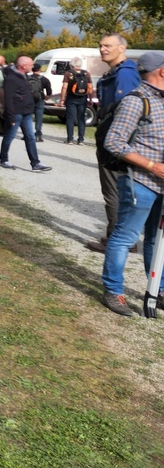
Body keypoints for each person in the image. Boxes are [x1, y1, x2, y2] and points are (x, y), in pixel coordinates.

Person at [100, 50, 164, 316]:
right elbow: (113, 142)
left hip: (161, 186)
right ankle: (113, 292)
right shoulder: (137, 100)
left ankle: (157, 291)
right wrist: (152, 166)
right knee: (125, 237)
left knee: (157, 240)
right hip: (140, 182)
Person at [89, 33, 143, 253]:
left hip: (117, 142)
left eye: (108, 46)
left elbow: (129, 112)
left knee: (114, 191)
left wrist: (116, 142)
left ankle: (117, 240)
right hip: (111, 138)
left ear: (122, 48)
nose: (102, 49)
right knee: (116, 191)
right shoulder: (115, 73)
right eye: (100, 45)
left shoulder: (125, 76)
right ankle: (121, 238)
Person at [0, 56, 51, 172]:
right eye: (31, 64)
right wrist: (10, 116)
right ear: (23, 66)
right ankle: (4, 159)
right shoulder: (11, 78)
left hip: (26, 112)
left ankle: (35, 163)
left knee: (30, 137)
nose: (33, 67)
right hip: (16, 113)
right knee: (9, 136)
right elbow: (8, 98)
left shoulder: (24, 76)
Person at [60, 56, 91, 145]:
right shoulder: (86, 73)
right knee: (81, 118)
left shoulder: (68, 73)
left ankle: (70, 139)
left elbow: (64, 87)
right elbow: (90, 87)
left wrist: (62, 99)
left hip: (71, 98)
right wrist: (91, 98)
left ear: (71, 65)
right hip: (83, 98)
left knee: (70, 118)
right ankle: (81, 140)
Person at [29, 63, 53, 142]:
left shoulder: (28, 78)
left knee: (28, 117)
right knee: (39, 118)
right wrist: (47, 96)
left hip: (29, 100)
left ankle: (28, 134)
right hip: (39, 99)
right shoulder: (44, 79)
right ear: (39, 69)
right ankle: (38, 135)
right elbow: (49, 91)